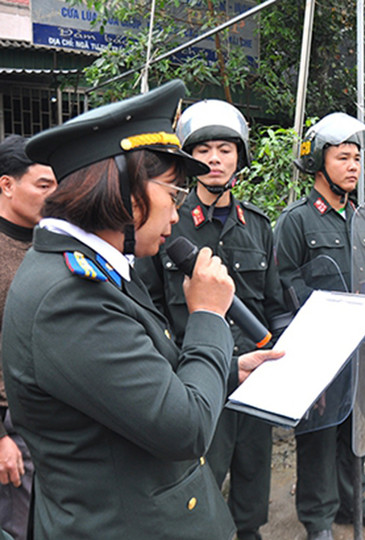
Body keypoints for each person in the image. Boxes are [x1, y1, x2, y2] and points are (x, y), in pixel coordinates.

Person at [2, 80, 281, 539]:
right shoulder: (70, 296)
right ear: (127, 194)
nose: (175, 214)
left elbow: (137, 380)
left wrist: (229, 370)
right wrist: (209, 316)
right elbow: (185, 428)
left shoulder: (92, 268)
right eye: (172, 194)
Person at [136, 99, 287, 540]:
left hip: (255, 376)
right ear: (188, 160)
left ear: (240, 157)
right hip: (194, 378)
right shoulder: (168, 224)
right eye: (203, 151)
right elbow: (150, 307)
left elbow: (275, 302)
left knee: (253, 468)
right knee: (198, 477)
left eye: (225, 149)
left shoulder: (257, 225)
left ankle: (250, 530)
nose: (215, 159)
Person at [274, 113, 365, 540]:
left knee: (353, 431)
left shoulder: (360, 218)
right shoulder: (296, 221)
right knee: (318, 437)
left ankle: (353, 502)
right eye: (343, 157)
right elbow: (283, 288)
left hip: (359, 349)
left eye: (357, 159)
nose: (353, 166)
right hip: (317, 352)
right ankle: (318, 519)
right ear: (318, 163)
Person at [0, 135, 56, 540]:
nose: (54, 195)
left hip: (52, 419)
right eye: (43, 185)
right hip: (10, 426)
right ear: (7, 185)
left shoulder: (52, 245)